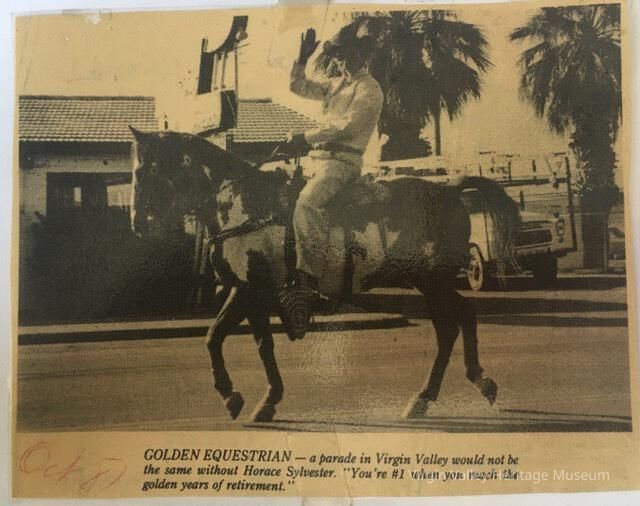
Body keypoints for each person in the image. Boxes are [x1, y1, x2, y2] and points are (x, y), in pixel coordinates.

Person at [280, 27, 384, 338]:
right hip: (317, 160)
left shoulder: (370, 89)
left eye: (346, 55)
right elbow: (298, 86)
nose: (340, 61)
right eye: (338, 56)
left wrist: (305, 137)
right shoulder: (335, 85)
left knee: (307, 204)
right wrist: (302, 59)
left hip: (342, 164)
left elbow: (346, 127)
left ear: (362, 55)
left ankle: (309, 281)